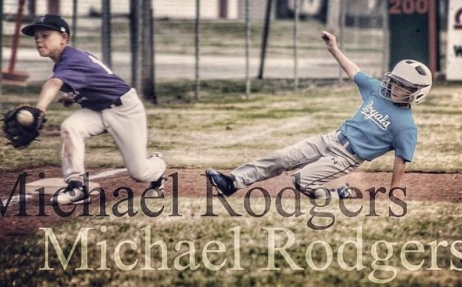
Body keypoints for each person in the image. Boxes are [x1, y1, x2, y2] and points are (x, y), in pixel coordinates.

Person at [206, 30, 432, 199]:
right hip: (330, 139)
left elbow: (401, 161)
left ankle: (335, 195)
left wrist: (394, 191)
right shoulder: (377, 91)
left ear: (416, 94)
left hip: (346, 158)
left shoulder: (406, 126)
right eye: (395, 82)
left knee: (301, 181)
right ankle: (232, 182)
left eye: (403, 86)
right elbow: (354, 71)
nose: (395, 88)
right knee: (281, 157)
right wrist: (334, 48)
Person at [21, 14, 166, 204]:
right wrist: (72, 96)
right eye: (36, 37)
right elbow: (96, 81)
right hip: (98, 109)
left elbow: (53, 83)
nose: (39, 40)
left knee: (140, 172)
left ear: (64, 38)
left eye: (45, 35)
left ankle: (158, 166)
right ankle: (77, 185)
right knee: (71, 126)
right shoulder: (69, 60)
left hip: (124, 109)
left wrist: (39, 109)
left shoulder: (71, 59)